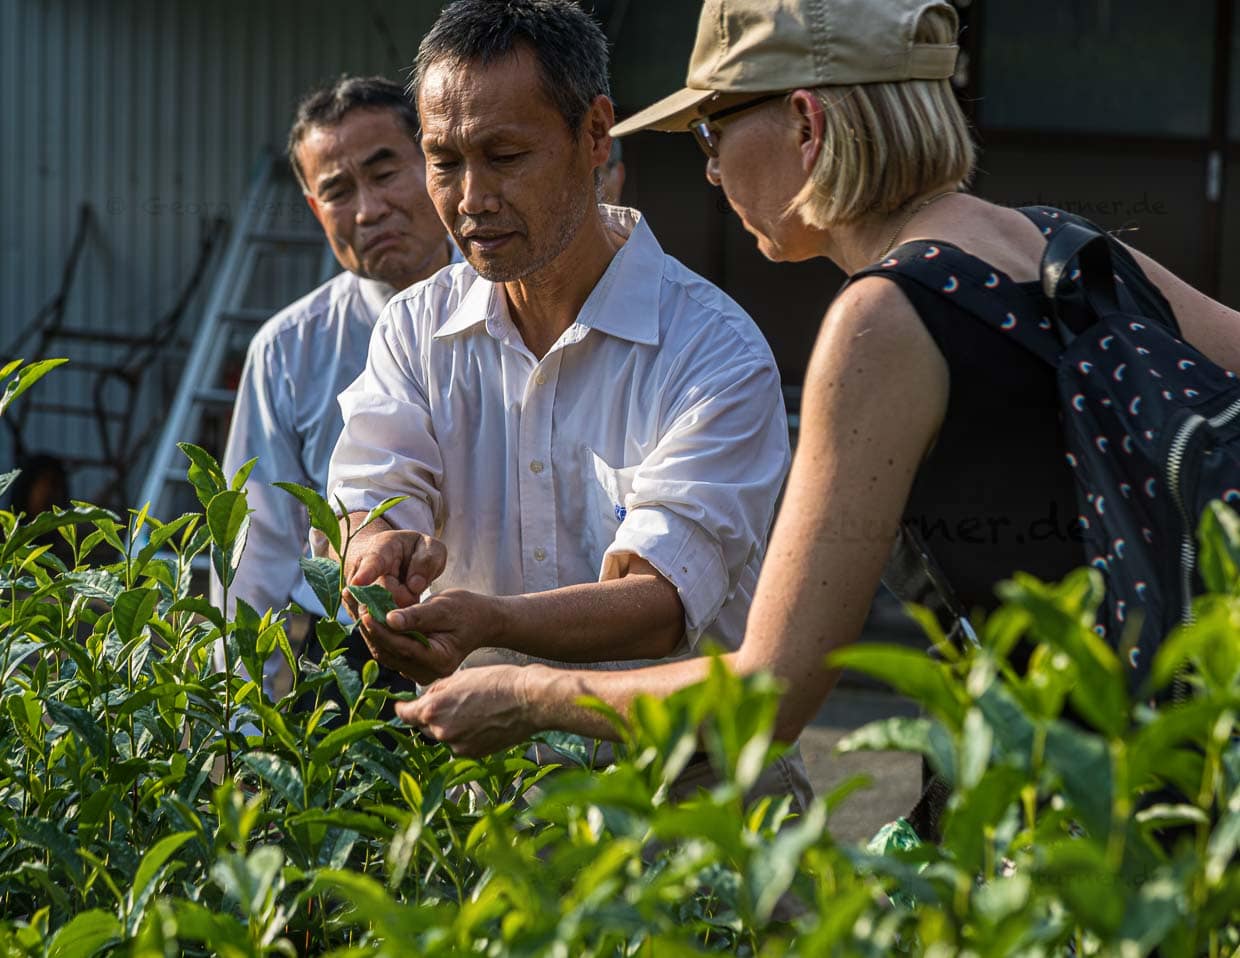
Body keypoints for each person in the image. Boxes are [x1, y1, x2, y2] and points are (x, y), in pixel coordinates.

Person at [394, 0, 1240, 762]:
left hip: (1070, 800)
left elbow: (768, 693)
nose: (713, 170)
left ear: (805, 123)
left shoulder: (883, 318)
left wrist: (528, 693)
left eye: (712, 132)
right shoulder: (1065, 246)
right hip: (1185, 758)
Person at [328, 0, 811, 806]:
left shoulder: (712, 351)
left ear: (595, 136)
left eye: (505, 155)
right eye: (443, 162)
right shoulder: (415, 329)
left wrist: (489, 623)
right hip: (485, 785)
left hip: (689, 788)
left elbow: (661, 606)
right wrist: (374, 550)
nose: (471, 197)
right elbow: (375, 483)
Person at [210, 76, 455, 694]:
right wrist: (238, 720)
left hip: (511, 636)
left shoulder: (518, 306)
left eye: (385, 172)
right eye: (338, 191)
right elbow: (256, 544)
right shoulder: (289, 349)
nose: (369, 209)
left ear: (434, 164)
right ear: (316, 210)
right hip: (358, 662)